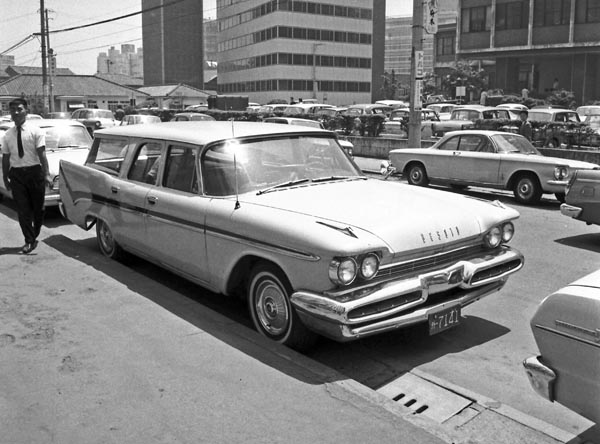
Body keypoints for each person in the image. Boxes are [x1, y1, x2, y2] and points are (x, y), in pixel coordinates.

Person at [1, 98, 53, 254]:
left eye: (19, 109)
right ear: (9, 113)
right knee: (23, 210)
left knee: (38, 209)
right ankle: (29, 241)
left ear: (26, 111)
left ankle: (34, 234)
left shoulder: (36, 131)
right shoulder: (7, 135)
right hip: (16, 175)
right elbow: (5, 157)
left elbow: (41, 154)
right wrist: (5, 177)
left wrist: (47, 174)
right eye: (13, 110)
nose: (16, 113)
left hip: (34, 173)